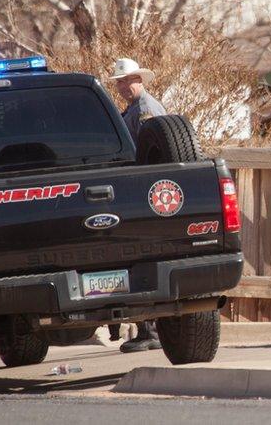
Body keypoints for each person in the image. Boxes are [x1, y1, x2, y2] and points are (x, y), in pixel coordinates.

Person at [109, 57, 166, 353]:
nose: (122, 86)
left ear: (139, 80)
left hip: (144, 191)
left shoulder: (145, 111)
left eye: (126, 80)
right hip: (142, 192)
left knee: (144, 259)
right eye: (119, 82)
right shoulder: (135, 109)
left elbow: (148, 154)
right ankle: (147, 327)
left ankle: (151, 330)